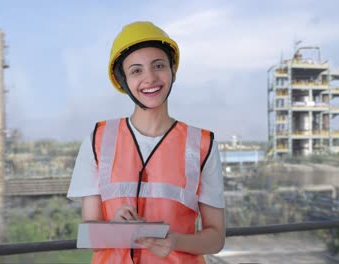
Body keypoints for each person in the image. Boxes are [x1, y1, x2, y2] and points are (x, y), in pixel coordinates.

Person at [67, 21, 225, 263]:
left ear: (173, 70)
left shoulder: (201, 145)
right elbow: (90, 237)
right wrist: (115, 229)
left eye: (158, 66)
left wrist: (174, 240)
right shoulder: (98, 140)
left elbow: (215, 239)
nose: (150, 78)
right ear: (123, 81)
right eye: (136, 70)